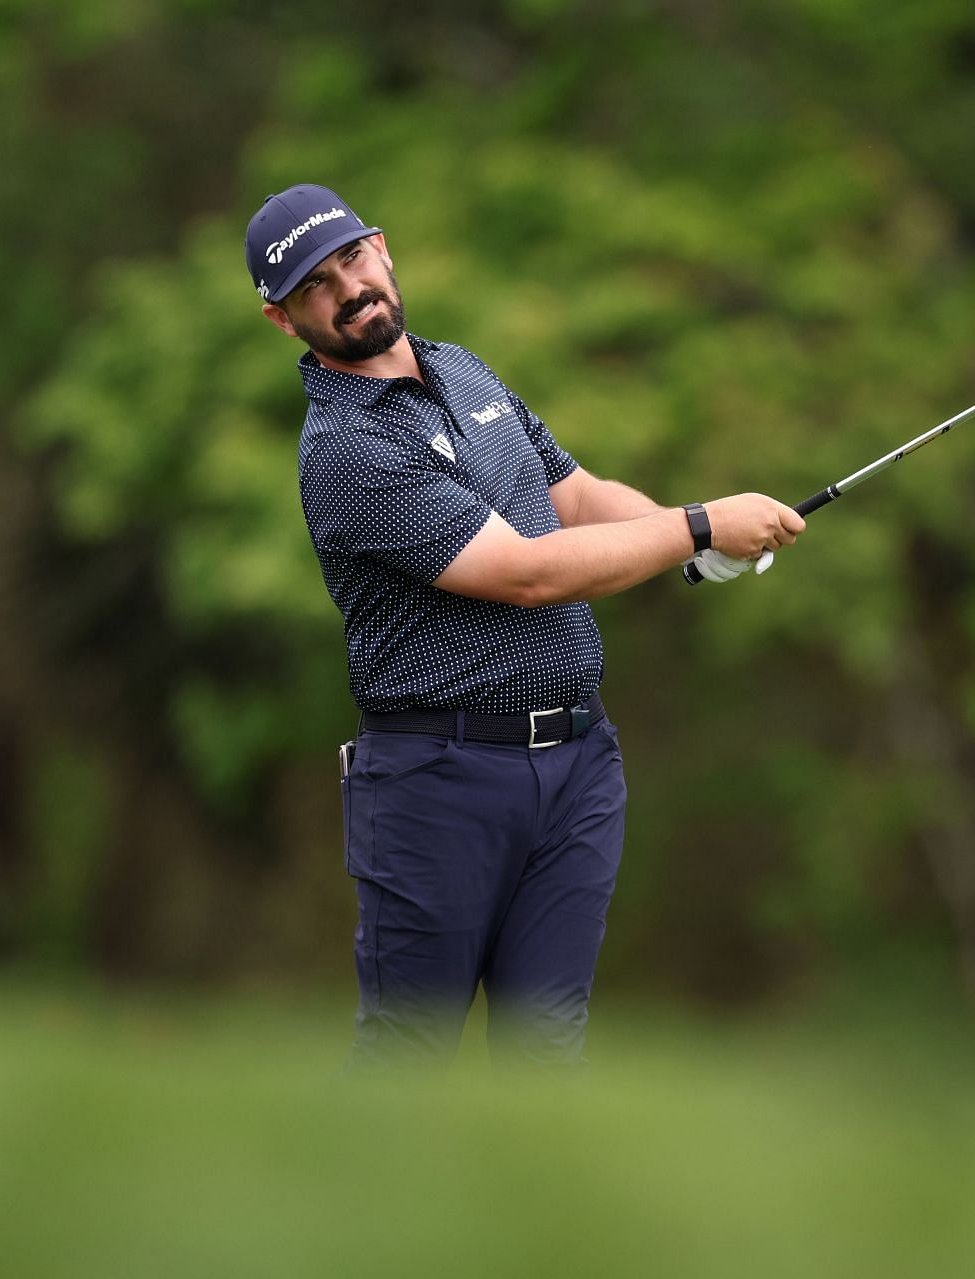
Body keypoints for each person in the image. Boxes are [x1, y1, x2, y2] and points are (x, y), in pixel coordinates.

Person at [245, 183, 804, 1073]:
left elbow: (573, 498)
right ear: (285, 320)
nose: (348, 289)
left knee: (545, 1059)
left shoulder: (464, 371)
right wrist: (699, 524)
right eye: (315, 285)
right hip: (437, 783)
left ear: (384, 249)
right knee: (408, 1058)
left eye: (352, 259)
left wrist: (693, 546)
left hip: (578, 768)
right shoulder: (344, 450)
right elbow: (527, 572)